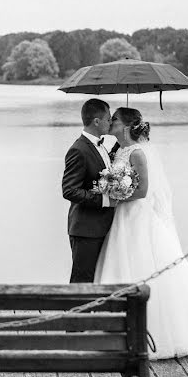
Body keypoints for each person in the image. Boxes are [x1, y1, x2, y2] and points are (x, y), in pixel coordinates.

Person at [94, 107, 188, 359]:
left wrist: (115, 194)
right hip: (121, 217)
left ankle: (157, 332)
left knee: (142, 264)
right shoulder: (118, 150)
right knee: (119, 263)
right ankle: (115, 330)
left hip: (136, 216)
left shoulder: (138, 153)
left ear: (126, 127)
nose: (111, 123)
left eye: (114, 120)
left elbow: (142, 191)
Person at [61, 98, 120, 283]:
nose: (110, 123)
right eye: (109, 119)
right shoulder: (78, 150)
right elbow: (69, 190)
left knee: (97, 279)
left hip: (101, 226)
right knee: (82, 281)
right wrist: (104, 200)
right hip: (86, 228)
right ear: (97, 121)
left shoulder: (102, 146)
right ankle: (75, 313)